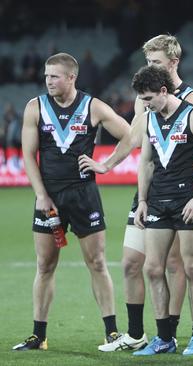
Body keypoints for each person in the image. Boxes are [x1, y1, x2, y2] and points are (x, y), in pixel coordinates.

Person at [79, 34, 193, 351]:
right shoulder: (144, 96)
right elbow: (134, 137)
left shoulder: (191, 99)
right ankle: (136, 334)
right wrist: (107, 164)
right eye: (148, 62)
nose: (150, 68)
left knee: (174, 265)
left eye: (156, 62)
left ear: (174, 62)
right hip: (147, 193)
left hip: (178, 192)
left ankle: (169, 333)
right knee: (133, 263)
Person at [13, 53, 130, 351]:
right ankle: (39, 336)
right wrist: (40, 194)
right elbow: (28, 155)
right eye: (46, 76)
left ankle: (112, 333)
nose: (48, 81)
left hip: (84, 195)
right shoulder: (35, 107)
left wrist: (106, 165)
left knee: (97, 262)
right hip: (49, 196)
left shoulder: (93, 106)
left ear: (71, 78)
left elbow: (130, 135)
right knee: (45, 265)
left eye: (54, 76)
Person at [127, 65, 193, 356]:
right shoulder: (150, 120)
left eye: (150, 98)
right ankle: (164, 338)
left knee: (191, 268)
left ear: (164, 91)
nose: (146, 104)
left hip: (188, 201)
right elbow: (147, 162)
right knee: (152, 269)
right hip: (158, 201)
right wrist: (142, 201)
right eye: (142, 99)